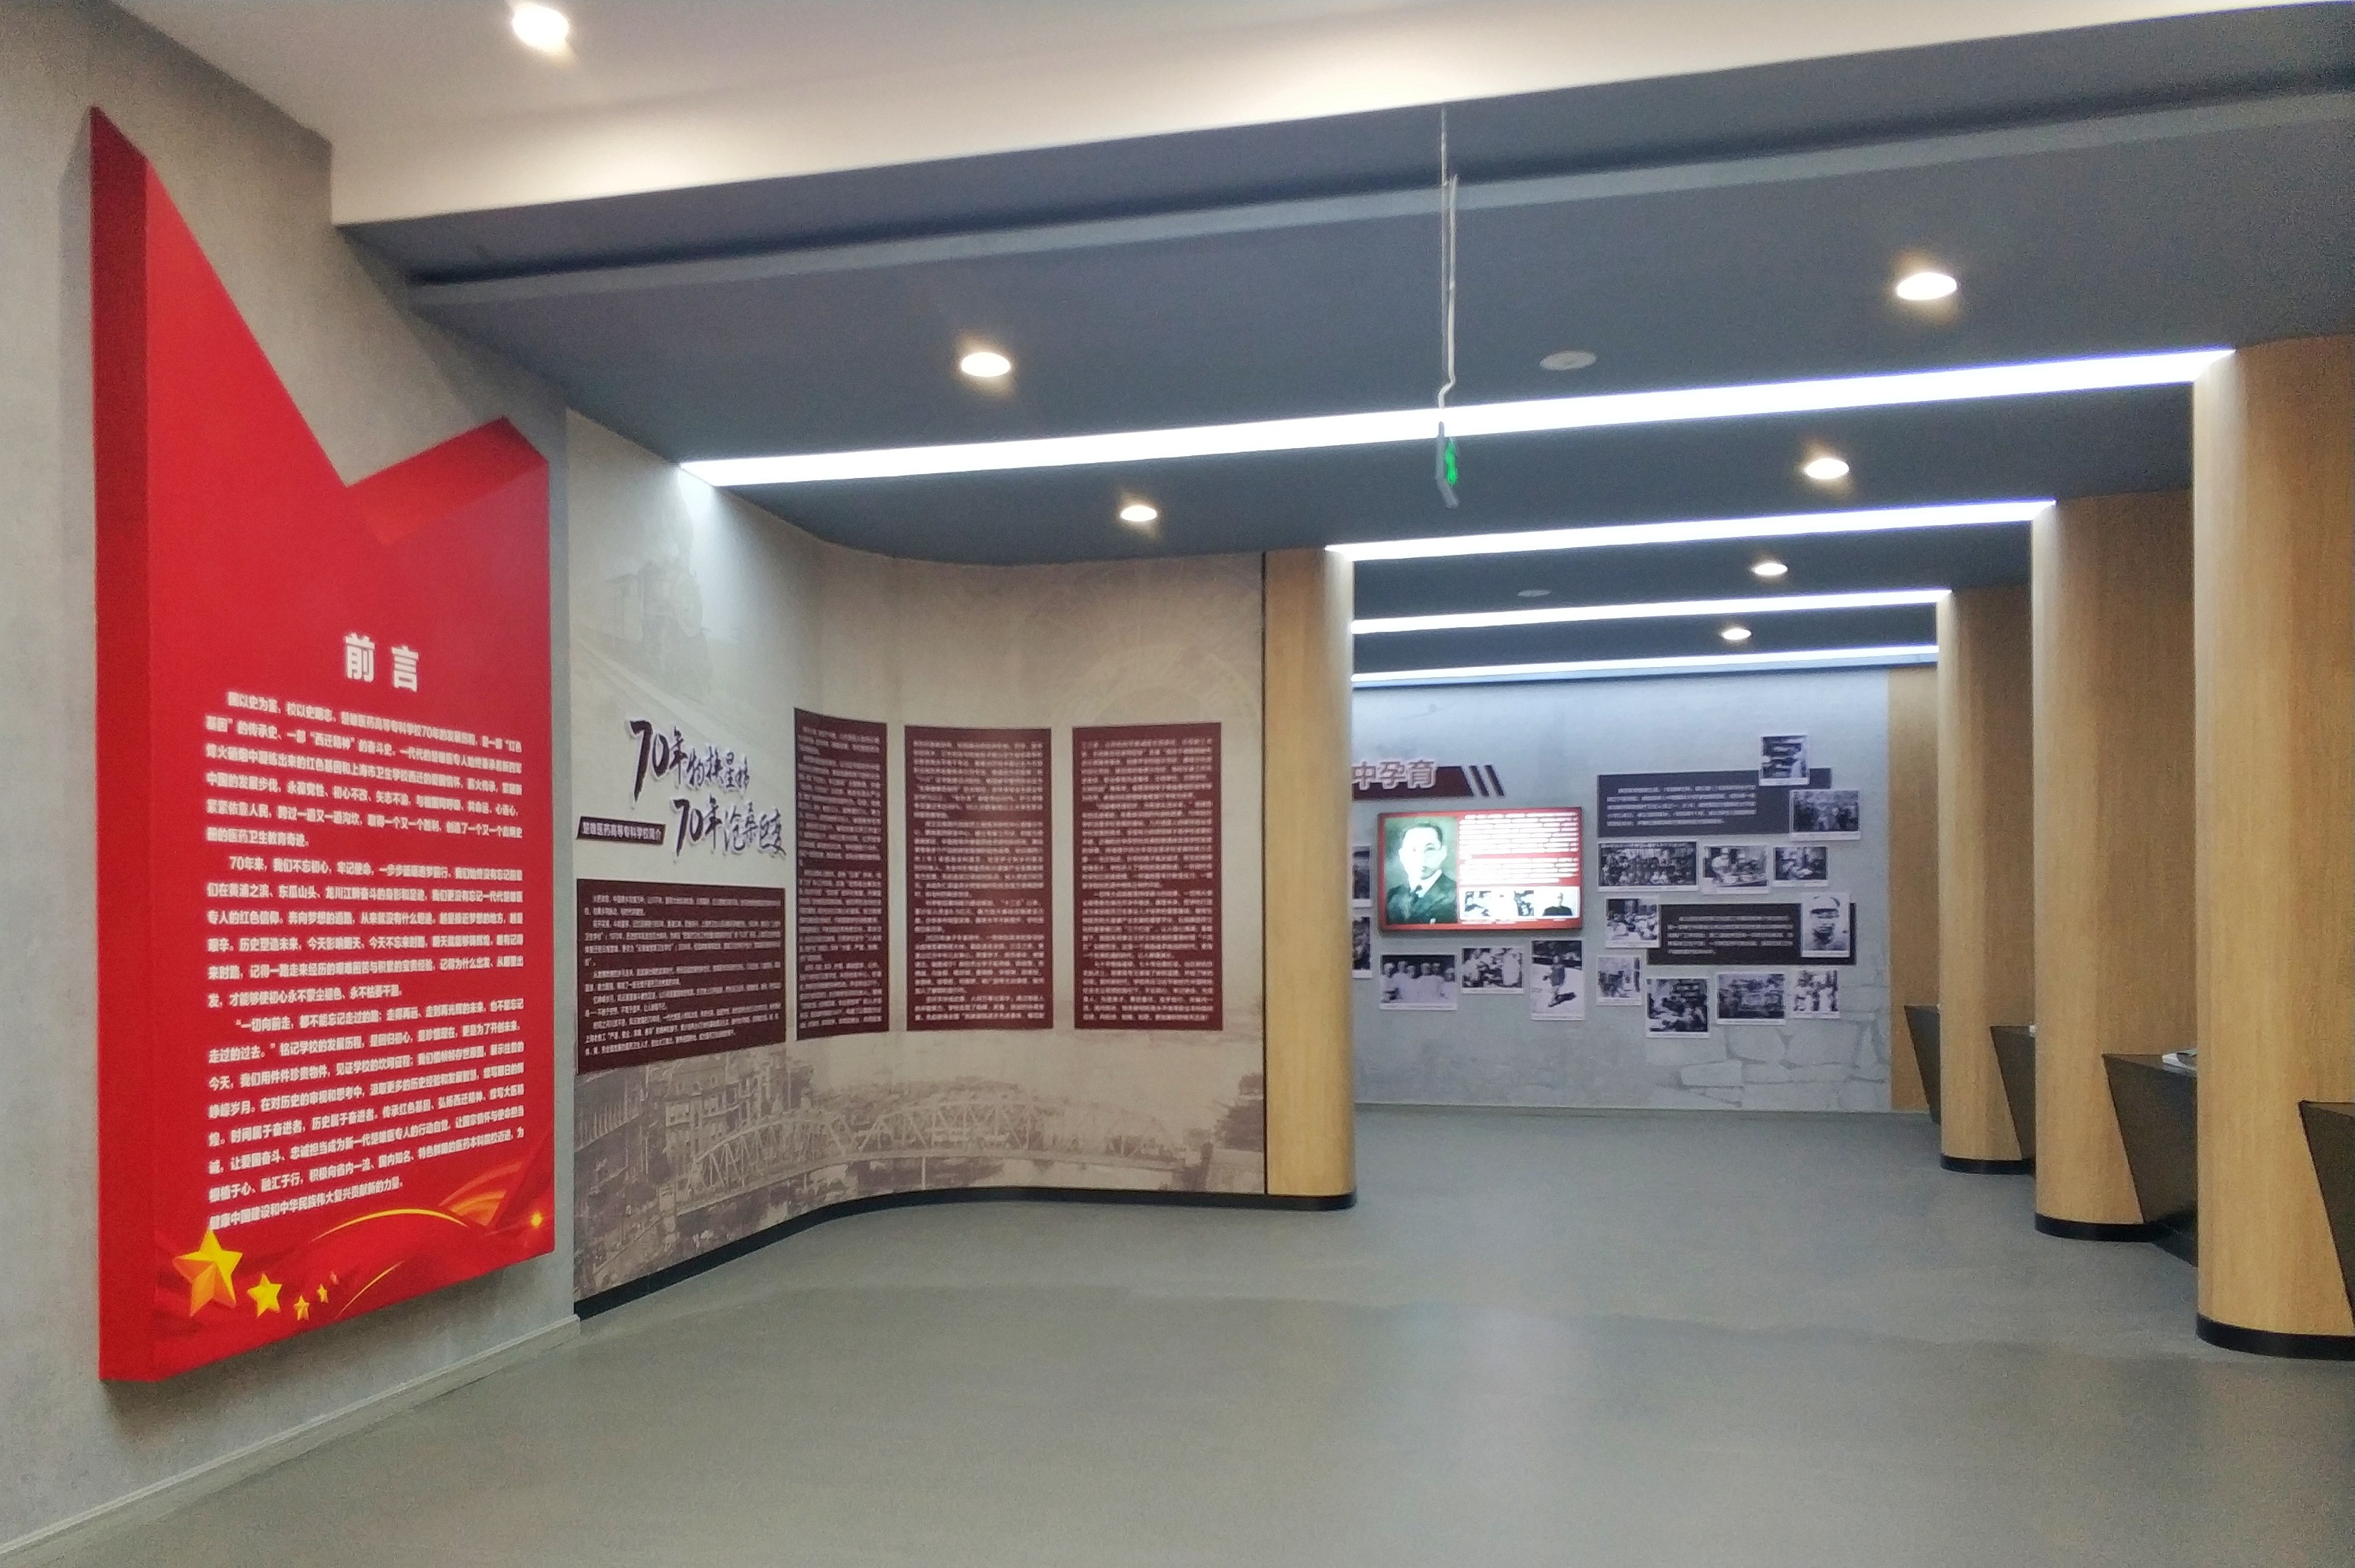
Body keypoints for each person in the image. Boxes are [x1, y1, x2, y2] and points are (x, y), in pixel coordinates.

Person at [1386, 820, 1458, 925]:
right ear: (1402, 855)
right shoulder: (1392, 896)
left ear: (1443, 853)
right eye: (1413, 850)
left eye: (1429, 849)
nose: (1421, 858)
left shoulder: (1455, 894)